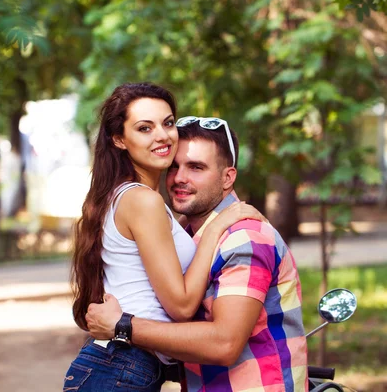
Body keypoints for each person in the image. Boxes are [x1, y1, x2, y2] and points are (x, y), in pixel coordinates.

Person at [63, 83, 264, 392]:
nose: (162, 135)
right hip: (121, 366)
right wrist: (219, 225)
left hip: (119, 365)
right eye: (145, 128)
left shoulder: (128, 197)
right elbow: (181, 306)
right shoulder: (143, 201)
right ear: (119, 139)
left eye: (168, 123)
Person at [85, 116, 309, 391]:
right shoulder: (185, 236)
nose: (180, 178)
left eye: (196, 168)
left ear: (228, 177)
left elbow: (224, 343)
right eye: (175, 166)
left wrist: (122, 326)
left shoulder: (244, 238)